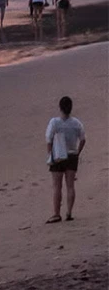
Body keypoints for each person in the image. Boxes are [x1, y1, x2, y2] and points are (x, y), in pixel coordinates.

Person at [46, 95, 86, 223]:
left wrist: (49, 155)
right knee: (70, 186)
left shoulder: (55, 122)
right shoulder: (76, 123)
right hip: (72, 155)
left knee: (57, 186)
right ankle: (69, 212)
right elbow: (83, 139)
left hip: (58, 155)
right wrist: (77, 152)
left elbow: (49, 139)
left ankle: (56, 213)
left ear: (60, 107)